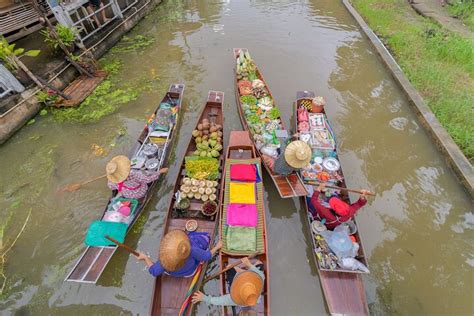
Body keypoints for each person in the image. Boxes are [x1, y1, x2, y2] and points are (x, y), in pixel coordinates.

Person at [135, 230, 222, 277]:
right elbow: (207, 256)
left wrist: (145, 257)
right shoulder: (191, 250)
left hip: (176, 274)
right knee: (198, 240)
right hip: (190, 272)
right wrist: (217, 246)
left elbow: (154, 271)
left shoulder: (164, 262)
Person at [192, 257, 265, 310]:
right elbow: (261, 275)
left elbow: (219, 301)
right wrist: (249, 264)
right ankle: (244, 270)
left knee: (229, 267)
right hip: (248, 279)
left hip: (236, 280)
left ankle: (240, 270)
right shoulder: (258, 284)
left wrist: (204, 298)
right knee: (260, 264)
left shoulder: (234, 298)